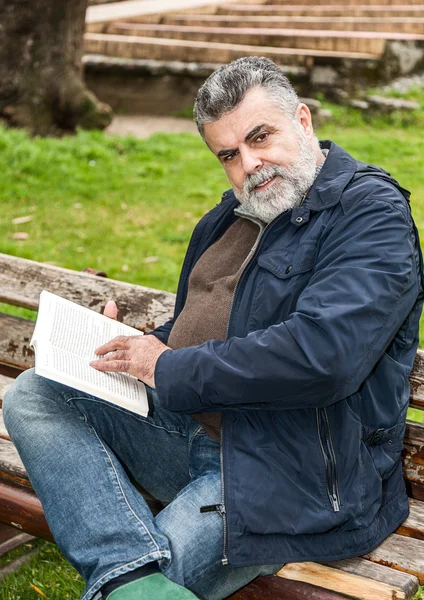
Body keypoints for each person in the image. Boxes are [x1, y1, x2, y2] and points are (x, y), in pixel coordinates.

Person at [3, 56, 424, 600]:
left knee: (159, 577)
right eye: (229, 154)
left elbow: (325, 355)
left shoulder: (370, 214)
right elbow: (203, 324)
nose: (250, 164)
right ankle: (128, 569)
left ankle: (124, 578)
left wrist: (168, 365)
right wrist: (141, 344)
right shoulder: (229, 218)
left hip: (294, 477)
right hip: (189, 433)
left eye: (260, 137)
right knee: (38, 393)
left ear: (303, 120)